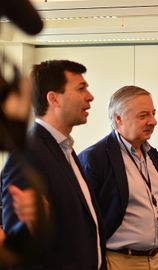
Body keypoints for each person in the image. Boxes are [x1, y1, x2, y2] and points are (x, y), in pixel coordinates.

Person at [1, 60, 106, 269]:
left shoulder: (63, 148)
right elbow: (18, 249)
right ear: (53, 99)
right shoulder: (27, 155)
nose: (90, 96)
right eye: (81, 88)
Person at [79, 85, 158, 270]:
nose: (153, 121)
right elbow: (84, 223)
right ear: (118, 119)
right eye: (143, 115)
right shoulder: (95, 158)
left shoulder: (153, 155)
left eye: (153, 113)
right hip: (120, 261)